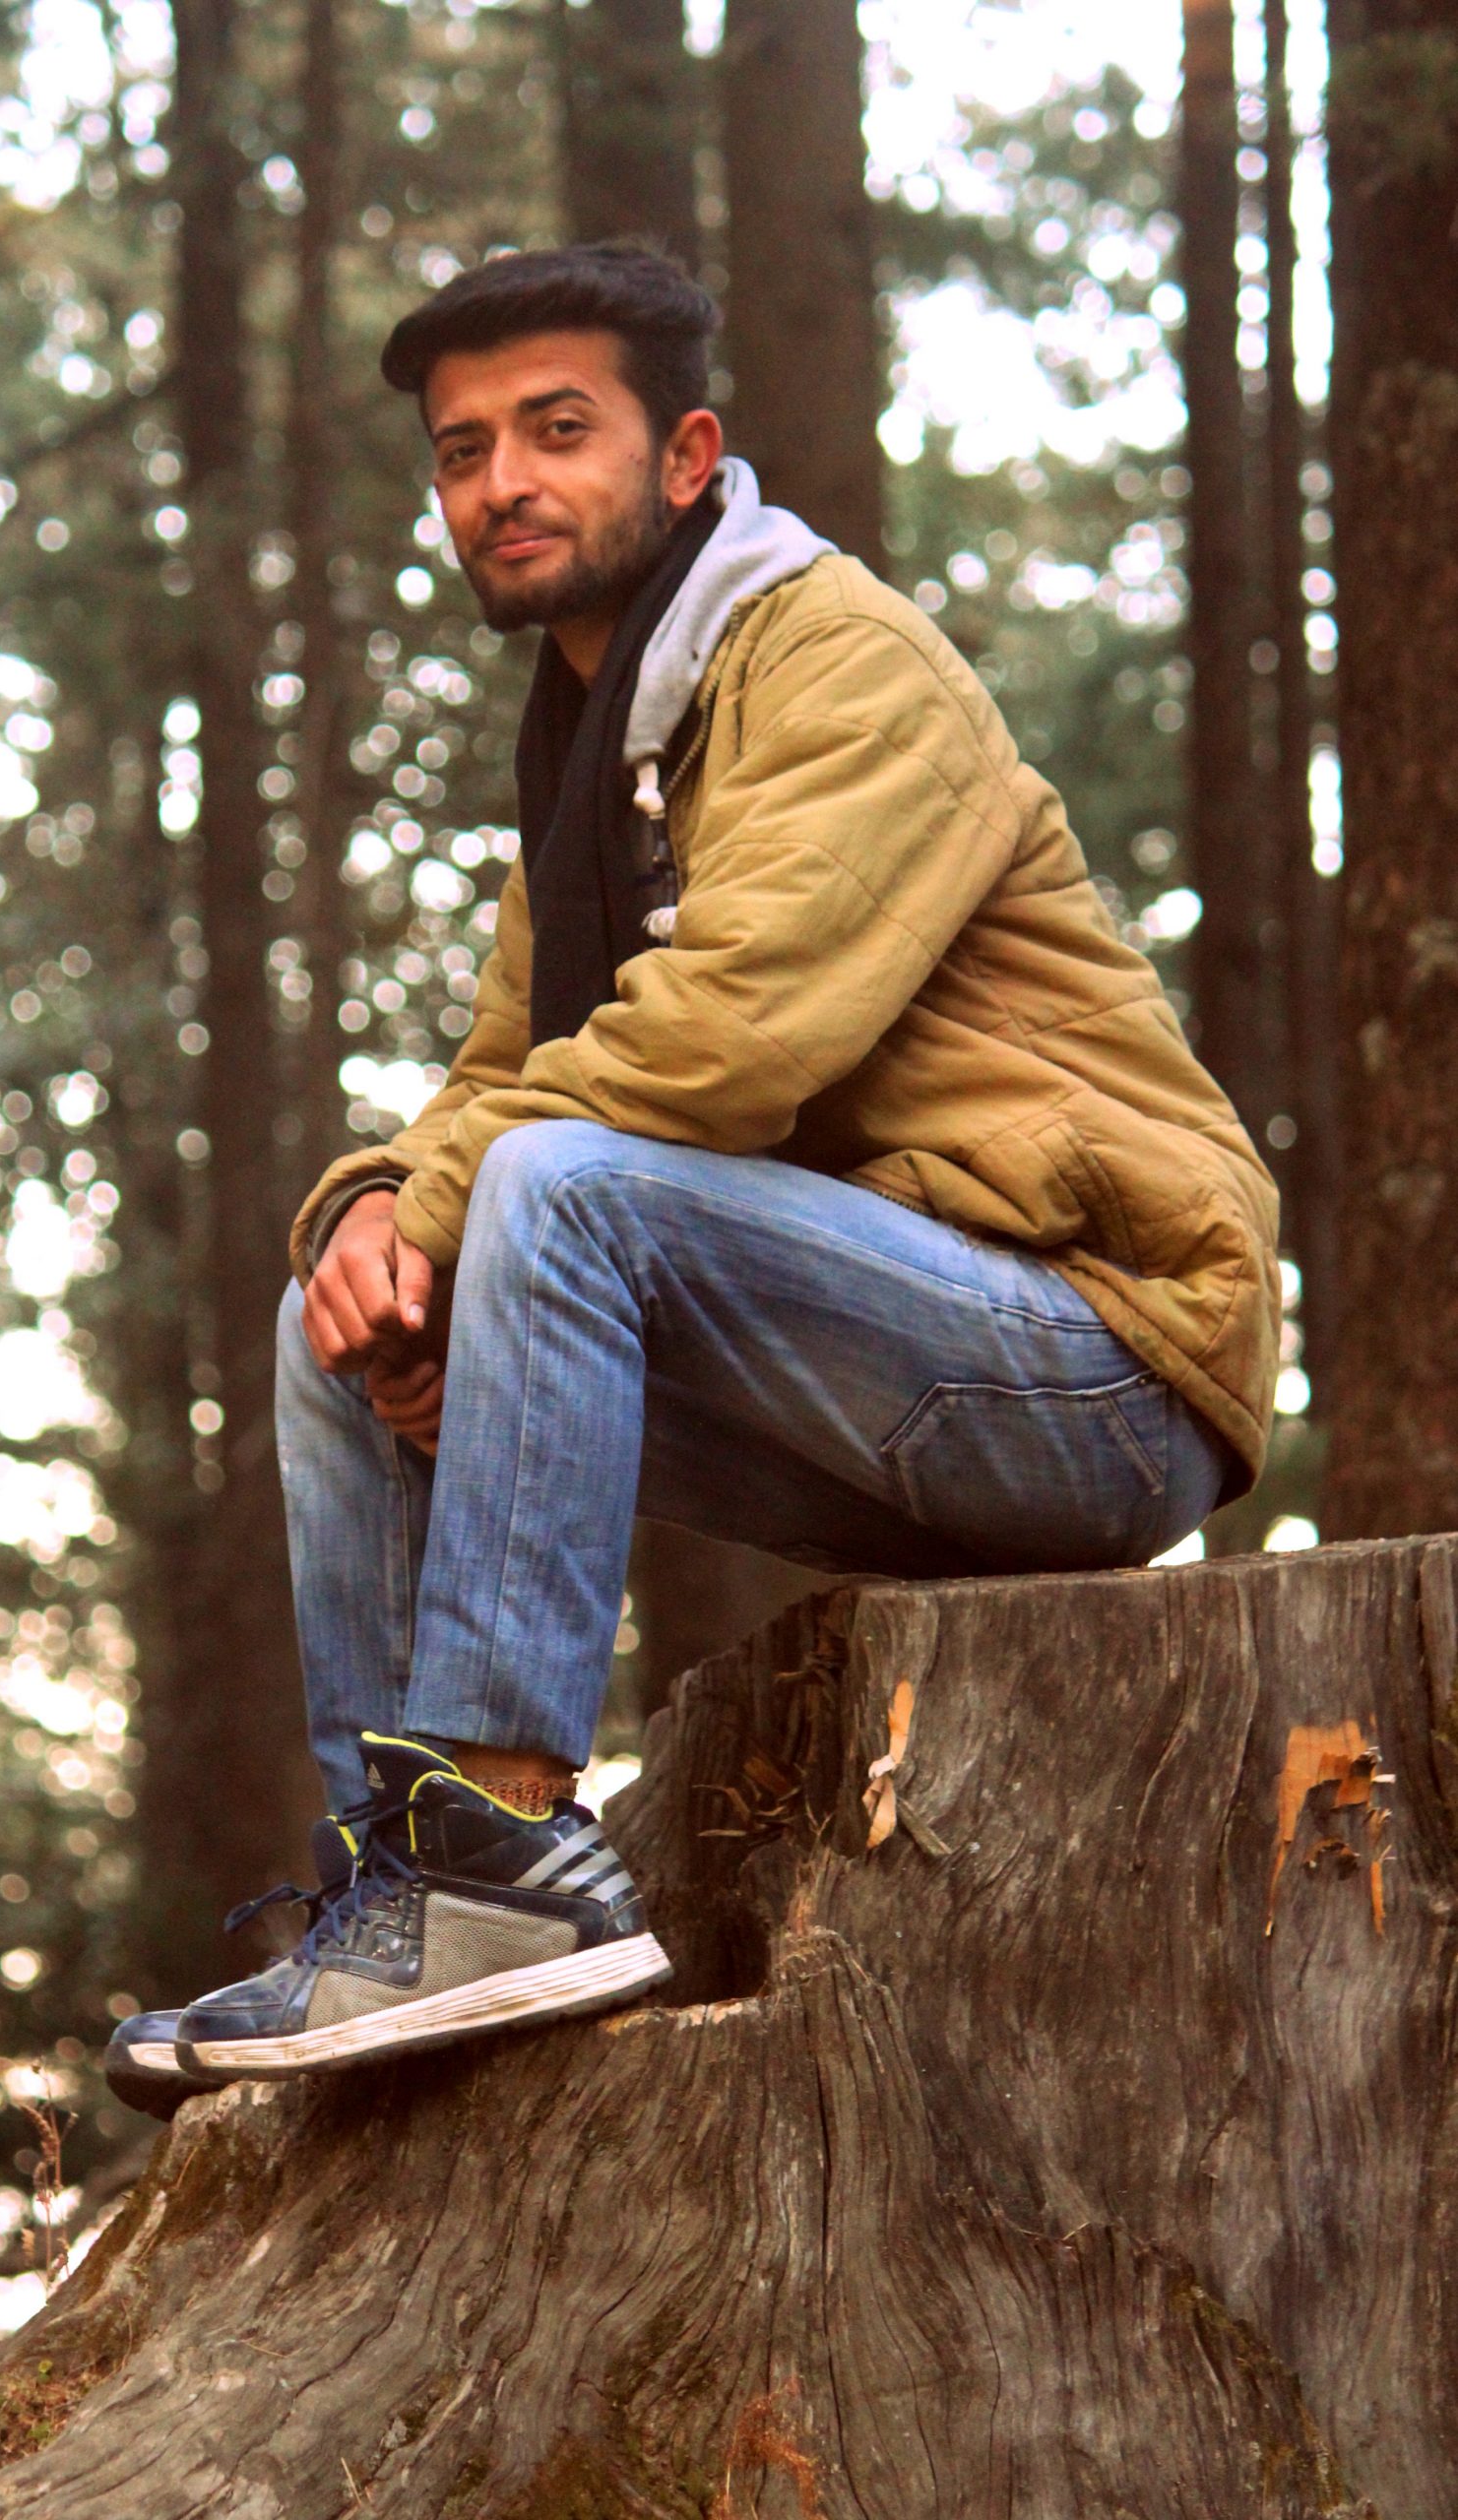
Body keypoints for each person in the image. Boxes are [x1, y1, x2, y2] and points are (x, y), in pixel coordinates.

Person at [105, 243, 1278, 2113]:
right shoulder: (600, 750)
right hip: (878, 1374)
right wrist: (366, 1222)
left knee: (559, 1192)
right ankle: (405, 1896)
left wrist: (450, 1204)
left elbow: (725, 1042)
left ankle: (498, 1846)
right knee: (347, 1313)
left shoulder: (832, 658)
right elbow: (494, 1082)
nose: (502, 481)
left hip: (1096, 1364)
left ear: (683, 455)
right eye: (462, 447)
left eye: (557, 430)